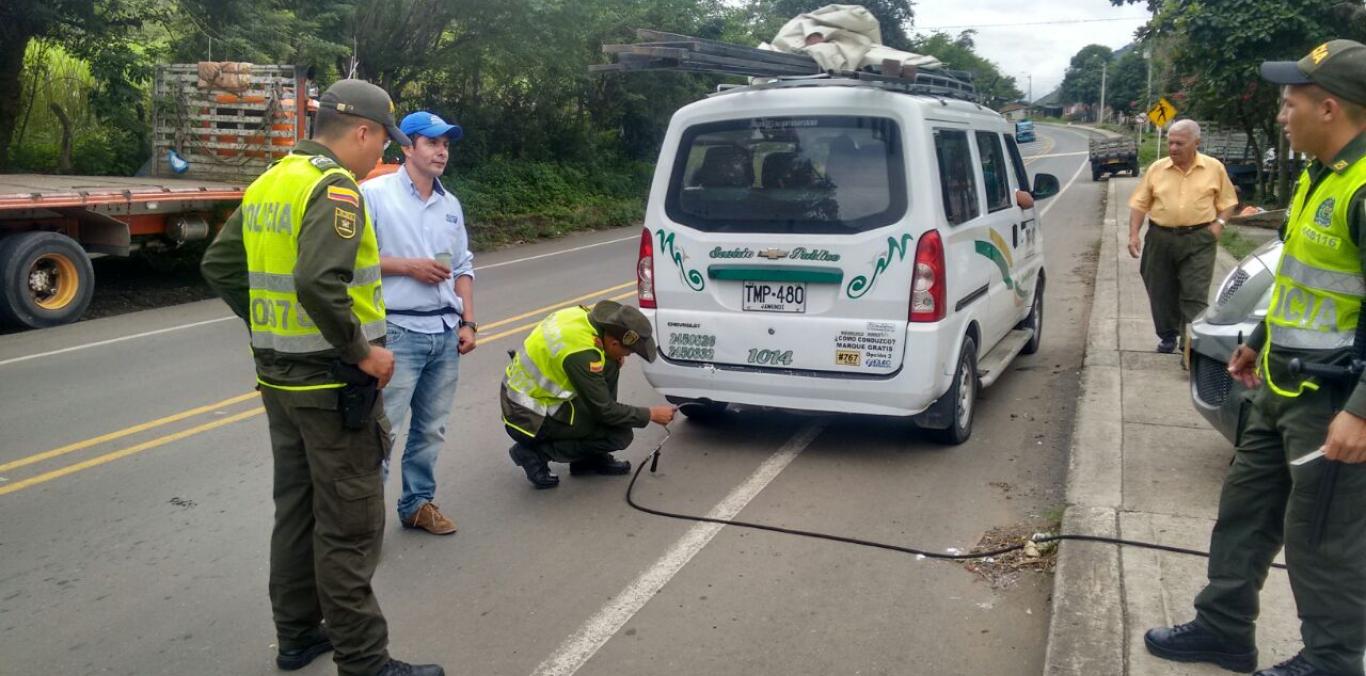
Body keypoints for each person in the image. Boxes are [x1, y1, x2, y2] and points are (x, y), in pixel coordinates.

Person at [201, 79, 444, 676]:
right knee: (351, 524)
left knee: (298, 511)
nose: (380, 157)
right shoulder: (335, 188)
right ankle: (364, 661)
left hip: (281, 383)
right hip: (333, 387)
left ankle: (297, 637)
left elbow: (220, 265)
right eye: (381, 142)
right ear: (361, 131)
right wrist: (361, 351)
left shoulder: (272, 180)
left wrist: (269, 328)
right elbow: (317, 282)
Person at [1144, 40, 1366, 676]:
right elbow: (1303, 280)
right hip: (1278, 387)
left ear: (1330, 108)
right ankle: (1223, 630)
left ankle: (1331, 661)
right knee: (1244, 514)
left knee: (1322, 539)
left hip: (1331, 405)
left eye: (1290, 102)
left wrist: (1361, 412)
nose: (1280, 114)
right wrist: (1260, 341)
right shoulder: (1322, 177)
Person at [360, 111, 474, 536]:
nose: (442, 151)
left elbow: (462, 265)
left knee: (431, 430)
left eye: (446, 143)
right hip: (397, 332)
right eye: (432, 142)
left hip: (445, 333)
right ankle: (365, 522)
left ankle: (417, 504)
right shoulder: (373, 194)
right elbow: (351, 260)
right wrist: (407, 268)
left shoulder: (450, 204)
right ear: (407, 147)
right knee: (382, 433)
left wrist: (469, 322)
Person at [500, 300, 676, 489]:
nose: (629, 355)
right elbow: (606, 411)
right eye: (629, 351)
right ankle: (534, 454)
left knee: (610, 363)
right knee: (619, 435)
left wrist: (613, 356)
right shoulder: (582, 353)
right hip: (526, 417)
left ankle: (586, 460)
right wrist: (651, 414)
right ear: (614, 341)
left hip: (523, 398)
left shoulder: (582, 318)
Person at [1127, 118, 1239, 353]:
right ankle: (1168, 334)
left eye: (1180, 143)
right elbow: (1140, 204)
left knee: (1194, 292)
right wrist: (1133, 234)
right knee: (1160, 289)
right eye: (1170, 143)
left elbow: (1228, 202)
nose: (1173, 148)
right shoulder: (1157, 169)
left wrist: (1218, 224)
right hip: (1160, 237)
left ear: (1196, 143)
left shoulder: (1214, 168)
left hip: (1199, 238)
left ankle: (1190, 343)